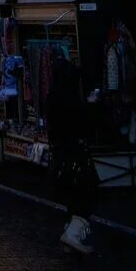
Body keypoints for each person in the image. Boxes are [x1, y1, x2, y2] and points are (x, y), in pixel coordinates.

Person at [46, 51, 99, 254]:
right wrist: (91, 107)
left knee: (73, 195)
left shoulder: (53, 97)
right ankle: (73, 233)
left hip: (60, 154)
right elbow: (84, 126)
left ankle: (71, 232)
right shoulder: (70, 100)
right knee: (86, 194)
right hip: (74, 153)